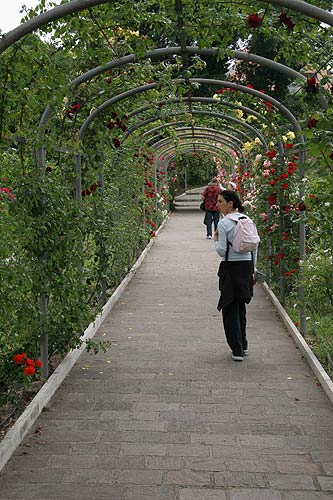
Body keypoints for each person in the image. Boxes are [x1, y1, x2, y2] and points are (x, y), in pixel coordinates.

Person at [214, 190, 256, 362]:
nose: (218, 204)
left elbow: (222, 250)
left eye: (220, 201)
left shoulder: (224, 223)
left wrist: (216, 240)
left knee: (229, 308)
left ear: (230, 203)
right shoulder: (247, 220)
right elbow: (254, 246)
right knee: (240, 307)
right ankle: (243, 344)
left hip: (231, 267)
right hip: (246, 266)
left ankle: (236, 349)